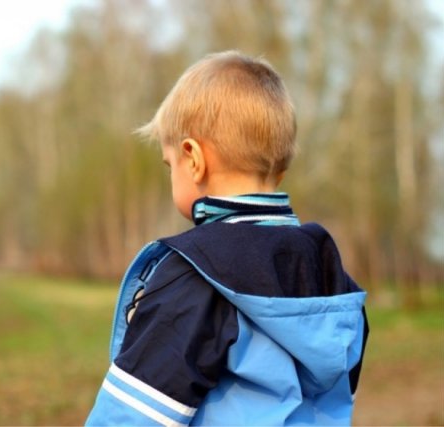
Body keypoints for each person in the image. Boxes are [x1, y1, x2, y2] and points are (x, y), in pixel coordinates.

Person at [85, 50, 368, 426]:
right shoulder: (331, 275)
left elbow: (133, 417)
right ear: (279, 172)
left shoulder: (199, 273)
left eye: (170, 166)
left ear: (193, 159)